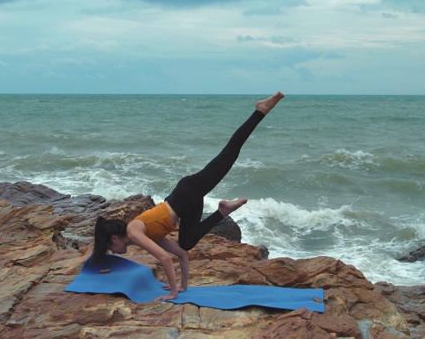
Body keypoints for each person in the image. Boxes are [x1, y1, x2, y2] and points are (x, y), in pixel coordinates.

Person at [92, 91, 286, 300]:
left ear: (114, 238)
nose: (114, 252)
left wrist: (173, 293)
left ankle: (260, 110)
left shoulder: (135, 231)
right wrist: (183, 286)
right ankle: (222, 211)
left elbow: (165, 259)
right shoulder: (146, 233)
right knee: (186, 244)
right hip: (187, 203)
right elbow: (181, 254)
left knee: (230, 153)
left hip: (187, 193)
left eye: (111, 248)